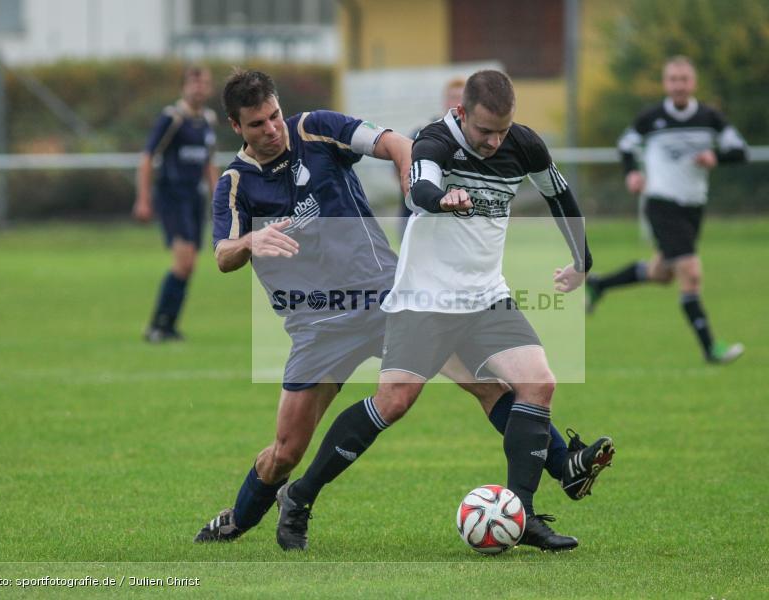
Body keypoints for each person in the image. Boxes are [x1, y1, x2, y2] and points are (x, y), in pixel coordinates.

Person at [193, 69, 601, 544]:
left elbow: (391, 142)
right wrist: (250, 240)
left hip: (388, 298)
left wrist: (417, 179)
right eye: (258, 123)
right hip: (317, 325)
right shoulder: (235, 184)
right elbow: (222, 255)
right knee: (285, 452)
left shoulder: (314, 128)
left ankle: (561, 470)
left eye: (275, 115)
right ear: (235, 127)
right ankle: (244, 517)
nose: (273, 129)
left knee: (484, 384)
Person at [587, 56, 748, 364]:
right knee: (691, 273)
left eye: (684, 79)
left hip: (693, 206)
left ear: (693, 83)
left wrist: (716, 157)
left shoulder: (710, 117)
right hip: (661, 202)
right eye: (673, 79)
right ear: (665, 83)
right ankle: (711, 349)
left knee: (661, 273)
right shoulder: (651, 118)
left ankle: (600, 284)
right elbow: (625, 145)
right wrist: (631, 173)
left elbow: (741, 151)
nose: (678, 85)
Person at [133, 65, 219, 343]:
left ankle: (168, 326)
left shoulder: (207, 120)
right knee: (183, 261)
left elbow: (209, 162)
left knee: (189, 264)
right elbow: (147, 158)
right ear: (183, 87)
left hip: (195, 199)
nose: (199, 88)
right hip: (172, 196)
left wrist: (219, 198)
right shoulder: (173, 119)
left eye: (203, 83)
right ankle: (158, 325)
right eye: (194, 82)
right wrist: (144, 199)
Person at [397, 77, 466, 240]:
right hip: (417, 215)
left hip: (453, 222)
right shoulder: (423, 134)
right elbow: (402, 169)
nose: (457, 103)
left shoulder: (474, 141)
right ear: (445, 101)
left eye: (462, 98)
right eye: (454, 97)